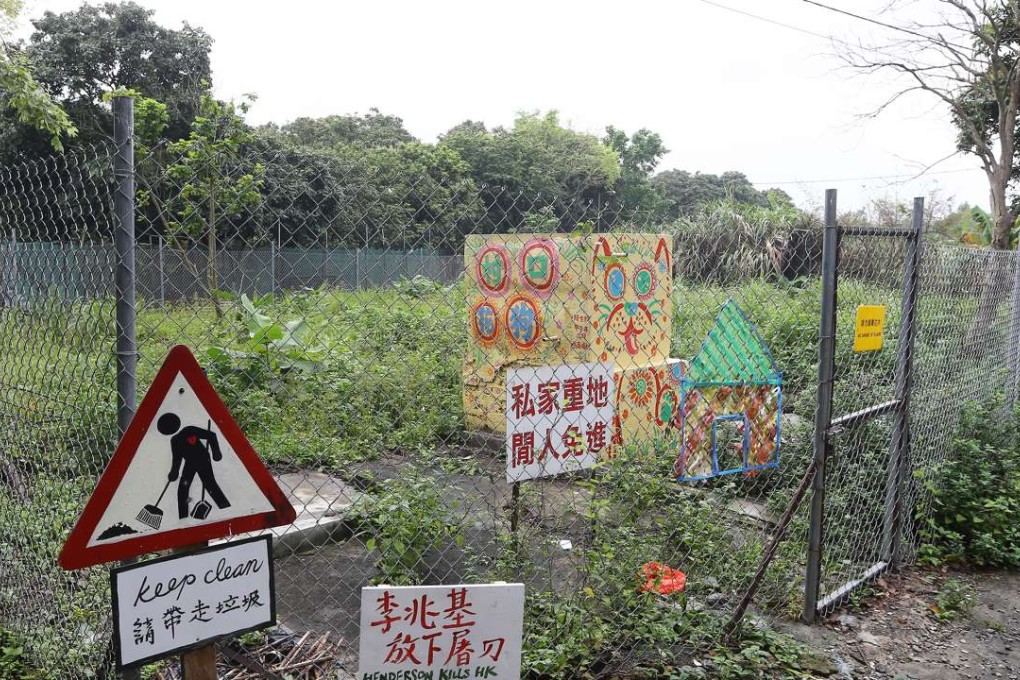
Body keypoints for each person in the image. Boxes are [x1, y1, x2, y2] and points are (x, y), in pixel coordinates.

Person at [156, 413, 231, 520]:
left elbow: (211, 436)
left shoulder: (189, 430)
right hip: (190, 463)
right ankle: (183, 518)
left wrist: (216, 452)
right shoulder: (175, 440)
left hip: (202, 460)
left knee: (210, 484)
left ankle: (225, 508)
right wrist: (174, 472)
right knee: (183, 488)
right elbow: (177, 459)